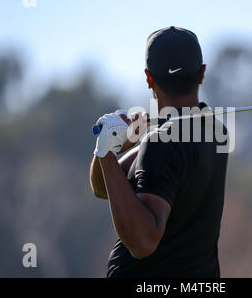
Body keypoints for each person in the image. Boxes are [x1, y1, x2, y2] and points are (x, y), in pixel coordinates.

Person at [89, 26, 228, 277]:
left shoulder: (161, 142)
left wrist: (107, 152)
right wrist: (114, 149)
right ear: (202, 73)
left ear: (149, 78)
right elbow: (104, 187)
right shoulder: (215, 129)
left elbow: (143, 243)